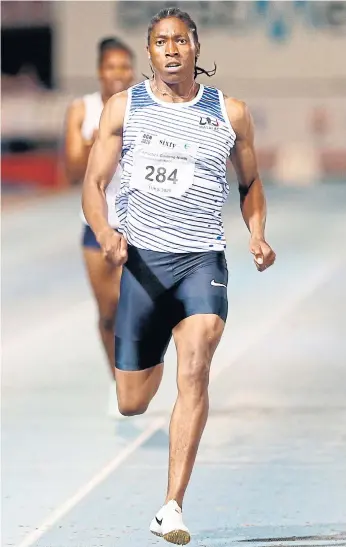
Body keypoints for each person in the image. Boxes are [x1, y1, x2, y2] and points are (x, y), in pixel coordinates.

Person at [82, 7, 276, 544]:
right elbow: (93, 185)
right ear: (149, 52)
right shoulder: (124, 109)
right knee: (131, 401)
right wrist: (104, 232)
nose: (171, 49)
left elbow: (251, 182)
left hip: (200, 260)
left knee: (198, 362)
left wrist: (256, 234)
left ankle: (171, 505)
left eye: (180, 41)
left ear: (196, 47)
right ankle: (153, 358)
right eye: (160, 41)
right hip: (142, 267)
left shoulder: (230, 113)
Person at [64, 37, 135, 416]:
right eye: (111, 66)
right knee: (108, 313)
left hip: (140, 227)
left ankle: (137, 376)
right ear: (99, 71)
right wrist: (95, 145)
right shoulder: (82, 109)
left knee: (135, 310)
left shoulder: (145, 107)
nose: (118, 74)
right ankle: (116, 383)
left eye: (125, 66)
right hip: (96, 227)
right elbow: (72, 171)